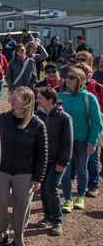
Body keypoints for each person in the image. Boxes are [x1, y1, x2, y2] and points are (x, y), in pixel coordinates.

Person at [0, 87, 48, 246]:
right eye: (13, 96)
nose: (13, 99)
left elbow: (42, 153)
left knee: (21, 208)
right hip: (2, 170)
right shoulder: (3, 119)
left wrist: (38, 178)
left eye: (18, 97)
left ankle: (18, 238)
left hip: (25, 172)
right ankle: (1, 236)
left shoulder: (37, 124)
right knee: (0, 204)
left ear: (27, 102)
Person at [59, 68, 103, 212]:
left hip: (83, 140)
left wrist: (93, 142)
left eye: (72, 77)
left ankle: (80, 196)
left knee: (82, 169)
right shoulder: (60, 96)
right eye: (67, 77)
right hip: (65, 142)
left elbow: (97, 122)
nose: (68, 80)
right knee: (65, 170)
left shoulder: (89, 98)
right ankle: (67, 199)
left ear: (80, 80)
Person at [35, 87, 72, 236]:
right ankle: (47, 216)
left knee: (51, 189)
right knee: (43, 190)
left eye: (40, 98)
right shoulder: (37, 116)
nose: (37, 100)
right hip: (42, 161)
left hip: (57, 161)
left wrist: (62, 162)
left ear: (50, 100)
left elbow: (68, 143)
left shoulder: (64, 117)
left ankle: (57, 220)